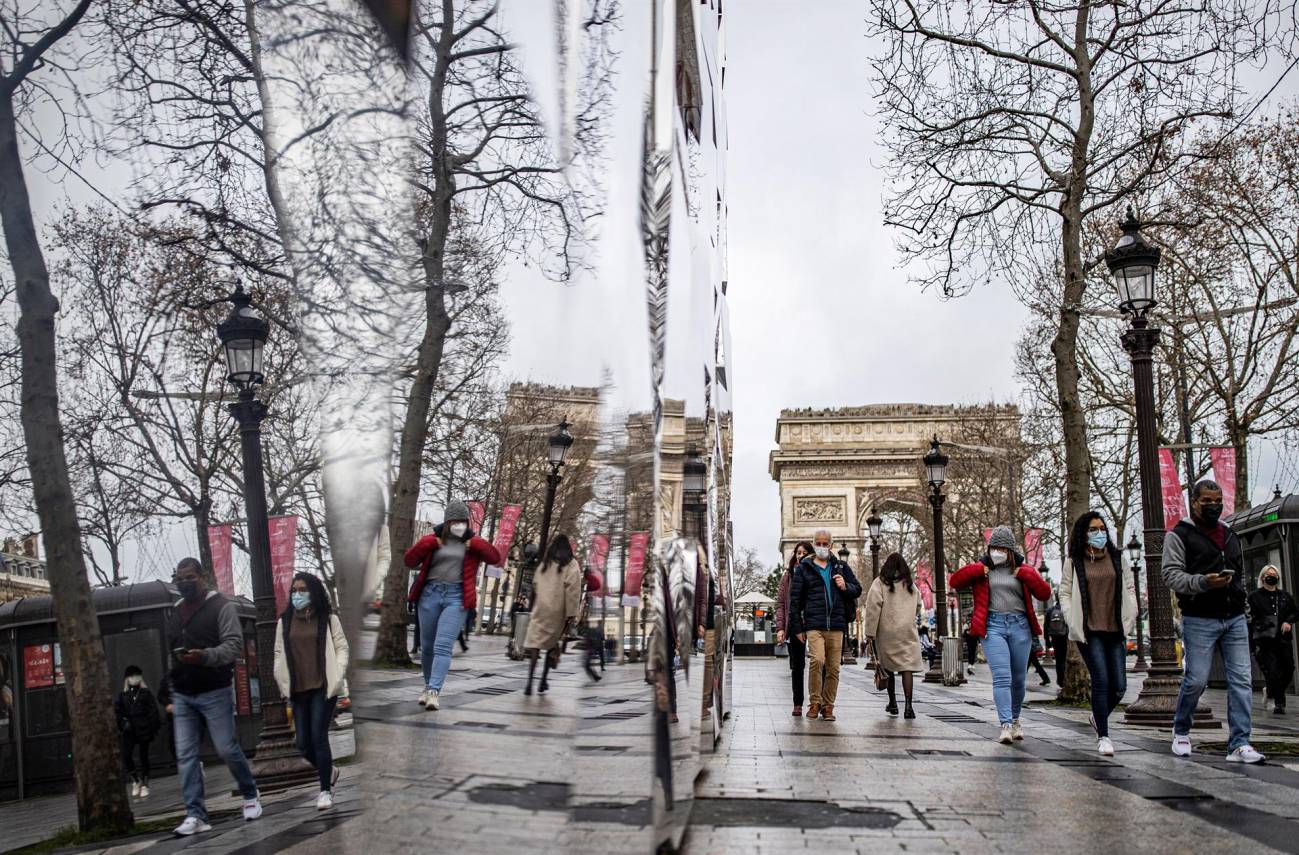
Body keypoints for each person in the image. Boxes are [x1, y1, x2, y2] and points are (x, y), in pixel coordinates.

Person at [1163, 480, 1264, 763]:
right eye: (1206, 500)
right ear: (1193, 502)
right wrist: (1203, 583)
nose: (1213, 505)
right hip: (1199, 618)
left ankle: (1239, 743)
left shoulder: (1230, 533)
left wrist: (1241, 602)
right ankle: (1181, 730)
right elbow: (1170, 575)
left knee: (1242, 682)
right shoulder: (1179, 535)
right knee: (1196, 680)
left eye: (1217, 500)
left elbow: (1241, 572)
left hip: (1233, 618)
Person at [166, 558, 261, 836]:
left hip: (214, 690)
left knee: (226, 748)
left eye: (189, 577)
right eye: (179, 578)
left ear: (202, 576)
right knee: (186, 755)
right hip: (183, 691)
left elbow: (233, 646)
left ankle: (249, 793)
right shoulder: (176, 610)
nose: (183, 582)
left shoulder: (221, 607)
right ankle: (195, 814)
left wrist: (205, 657)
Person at [950, 526, 1051, 744]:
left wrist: (1027, 574)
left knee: (1019, 679)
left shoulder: (1023, 570)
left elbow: (1044, 593)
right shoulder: (983, 569)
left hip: (1020, 626)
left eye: (1002, 548)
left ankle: (1015, 720)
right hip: (993, 627)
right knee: (1002, 677)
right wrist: (977, 570)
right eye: (994, 547)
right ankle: (1005, 724)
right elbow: (955, 581)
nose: (997, 552)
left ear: (1010, 550)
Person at [406, 501, 503, 710]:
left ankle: (434, 691)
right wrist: (430, 544)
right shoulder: (433, 539)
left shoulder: (472, 542)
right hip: (430, 595)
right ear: (448, 521)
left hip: (456, 596)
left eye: (462, 521)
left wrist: (475, 544)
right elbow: (409, 560)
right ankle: (427, 685)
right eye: (455, 521)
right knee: (427, 646)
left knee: (443, 645)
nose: (458, 525)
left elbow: (495, 557)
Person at [1059, 512, 1137, 756]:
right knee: (1101, 680)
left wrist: (1131, 612)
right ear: (1083, 533)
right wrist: (1073, 621)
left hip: (1115, 629)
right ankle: (1104, 736)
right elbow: (1065, 592)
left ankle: (1097, 716)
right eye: (1093, 529)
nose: (1099, 533)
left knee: (1120, 687)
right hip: (1089, 630)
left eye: (1102, 528)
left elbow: (1129, 587)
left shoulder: (1117, 558)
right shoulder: (1074, 561)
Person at [273, 572, 350, 811]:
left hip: (322, 687)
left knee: (318, 736)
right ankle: (331, 772)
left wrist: (336, 674)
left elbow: (342, 648)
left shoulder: (328, 619)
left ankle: (325, 790)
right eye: (294, 590)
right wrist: (281, 678)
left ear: (314, 591)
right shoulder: (284, 621)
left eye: (303, 589)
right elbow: (278, 653)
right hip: (297, 689)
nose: (298, 594)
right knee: (303, 745)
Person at [788, 530, 863, 722]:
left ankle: (828, 705)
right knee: (817, 660)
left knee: (833, 668)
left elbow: (858, 589)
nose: (822, 546)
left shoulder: (841, 567)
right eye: (818, 543)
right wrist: (797, 628)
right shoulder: (803, 568)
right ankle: (815, 702)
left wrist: (845, 586)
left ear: (831, 545)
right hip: (814, 623)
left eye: (825, 543)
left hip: (836, 624)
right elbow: (794, 601)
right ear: (814, 544)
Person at [862, 553, 924, 719]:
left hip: (887, 632)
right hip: (907, 631)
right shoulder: (910, 585)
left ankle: (893, 703)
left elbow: (872, 609)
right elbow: (918, 605)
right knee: (907, 668)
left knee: (888, 666)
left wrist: (869, 633)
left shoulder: (880, 583)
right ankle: (909, 707)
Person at [523, 534, 582, 695]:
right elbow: (573, 590)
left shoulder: (546, 562)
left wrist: (532, 606)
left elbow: (535, 583)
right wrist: (571, 613)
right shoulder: (571, 564)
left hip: (541, 608)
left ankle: (529, 682)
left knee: (535, 644)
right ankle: (543, 680)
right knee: (551, 645)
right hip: (558, 610)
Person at [1249, 564, 1297, 715]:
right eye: (1269, 574)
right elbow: (1249, 619)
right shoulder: (1254, 597)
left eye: (1275, 574)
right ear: (1263, 578)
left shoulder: (1285, 596)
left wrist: (1288, 621)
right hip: (1265, 641)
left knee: (1289, 669)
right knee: (1273, 671)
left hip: (1283, 640)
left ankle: (1270, 691)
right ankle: (1279, 704)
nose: (1272, 577)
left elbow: (1295, 612)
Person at [776, 541, 814, 716]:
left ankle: (817, 702)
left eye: (805, 552)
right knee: (797, 667)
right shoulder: (787, 576)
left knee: (817, 664)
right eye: (798, 552)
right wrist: (780, 628)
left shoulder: (816, 575)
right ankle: (797, 702)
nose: (801, 555)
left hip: (814, 624)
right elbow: (781, 604)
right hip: (794, 626)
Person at [115, 665, 161, 799]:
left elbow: (153, 712)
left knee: (143, 756)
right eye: (131, 676)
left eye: (136, 675)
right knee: (127, 755)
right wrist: (123, 724)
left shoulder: (146, 694)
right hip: (130, 729)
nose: (134, 678)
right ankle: (136, 780)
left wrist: (151, 726)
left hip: (144, 728)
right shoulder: (123, 695)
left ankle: (145, 783)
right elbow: (119, 712)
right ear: (127, 679)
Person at [1043, 593, 1070, 689]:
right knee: (1066, 659)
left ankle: (1060, 680)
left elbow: (1046, 627)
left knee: (1059, 659)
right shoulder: (1067, 609)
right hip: (1066, 637)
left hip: (1055, 637)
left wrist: (1047, 640)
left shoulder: (1050, 610)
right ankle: (1065, 679)